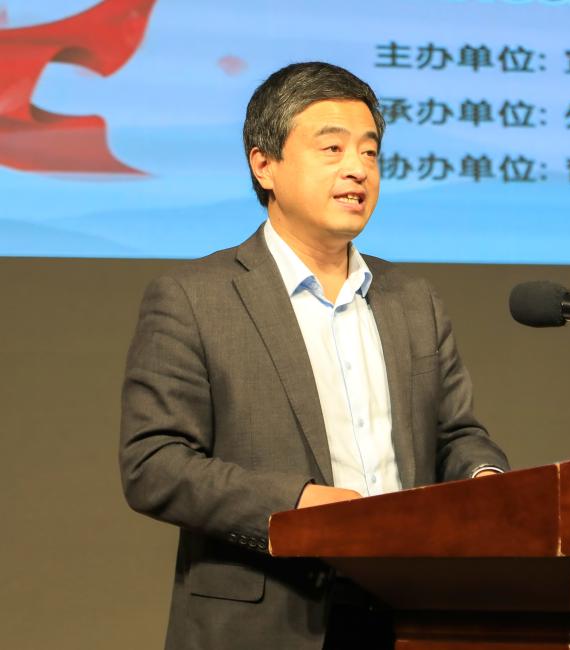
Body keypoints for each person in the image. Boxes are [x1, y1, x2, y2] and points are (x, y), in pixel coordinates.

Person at [119, 62, 510, 650]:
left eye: (370, 152)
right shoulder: (194, 298)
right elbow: (154, 464)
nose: (358, 168)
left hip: (409, 611)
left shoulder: (413, 299)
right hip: (266, 621)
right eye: (333, 148)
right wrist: (298, 503)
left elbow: (456, 435)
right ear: (264, 165)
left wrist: (486, 480)